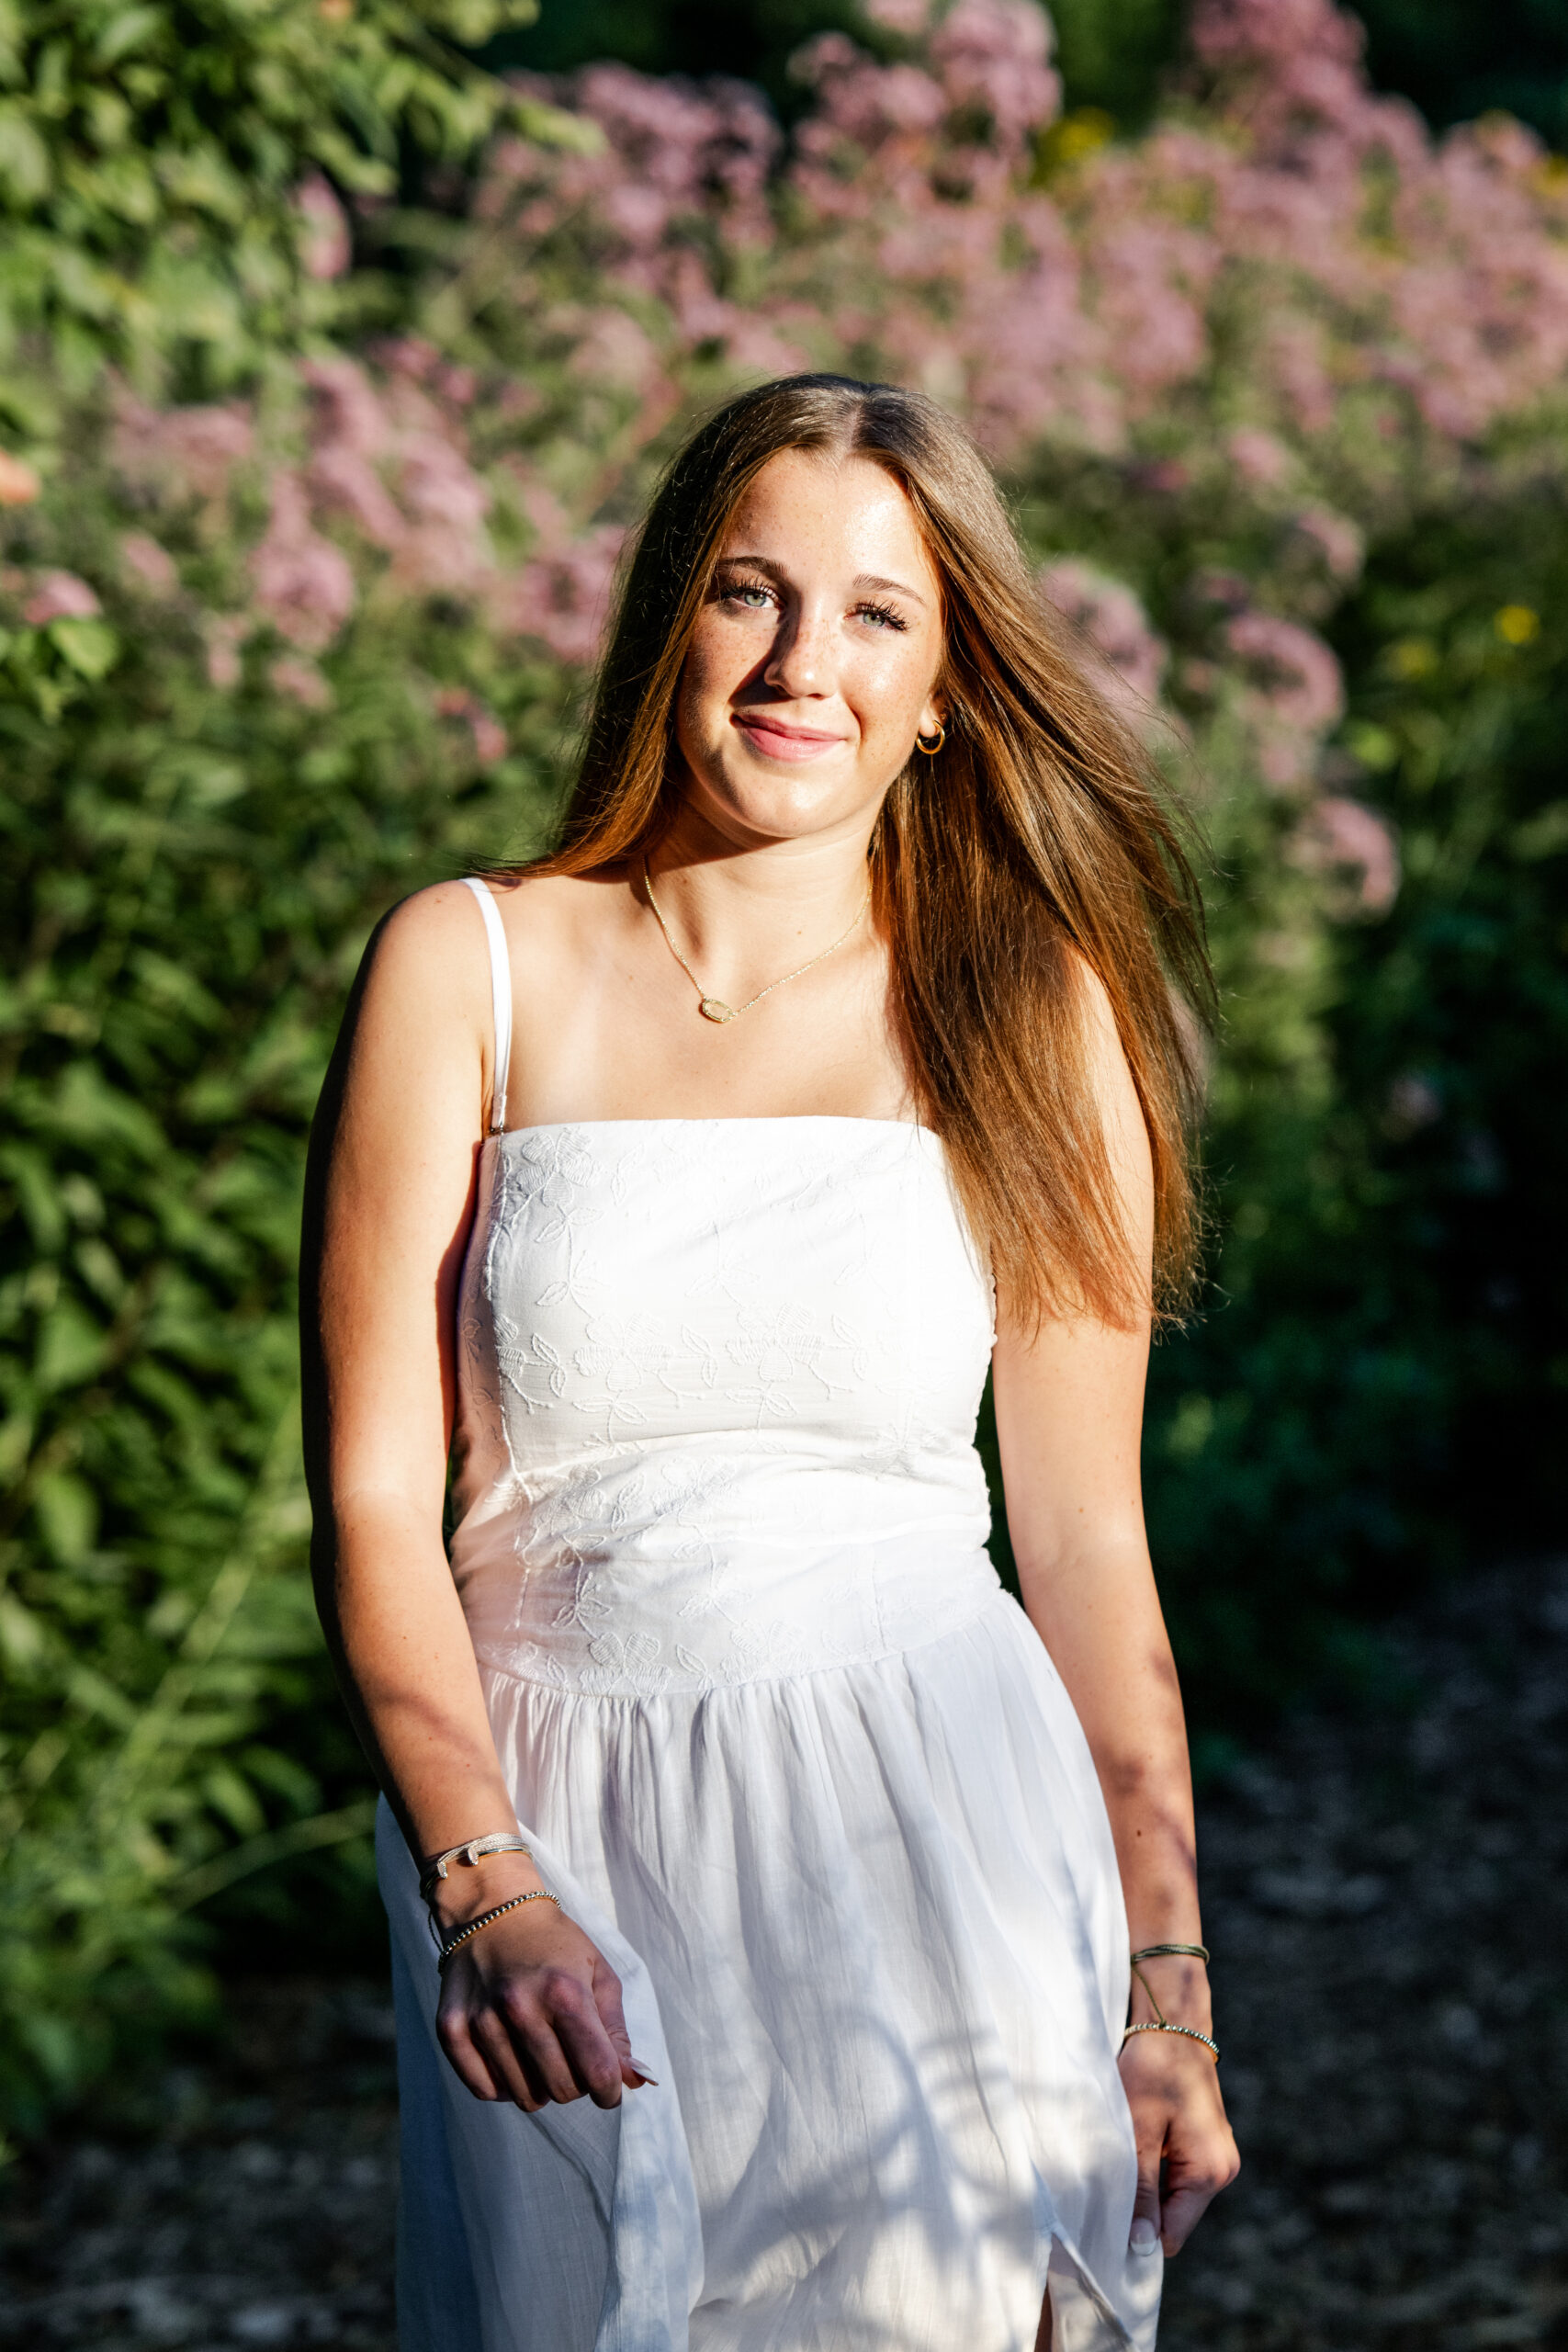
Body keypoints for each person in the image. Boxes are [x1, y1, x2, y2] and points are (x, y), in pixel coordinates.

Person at [299, 373, 1239, 2352]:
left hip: (935, 1815)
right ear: (669, 622)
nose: (806, 661)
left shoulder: (1029, 1006)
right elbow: (377, 1498)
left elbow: (1079, 1544)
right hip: (557, 1838)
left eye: (877, 614)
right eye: (751, 593)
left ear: (945, 689)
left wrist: (1165, 1992)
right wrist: (484, 1878)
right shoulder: (466, 966)